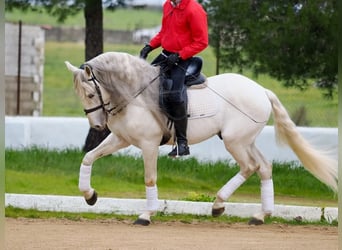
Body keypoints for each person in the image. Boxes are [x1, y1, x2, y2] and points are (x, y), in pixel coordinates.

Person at [140, 0, 208, 157]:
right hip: (166, 55)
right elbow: (165, 32)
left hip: (184, 59)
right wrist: (150, 46)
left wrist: (180, 55)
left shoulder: (194, 9)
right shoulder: (168, 5)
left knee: (175, 96)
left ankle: (183, 144)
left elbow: (202, 42)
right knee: (145, 85)